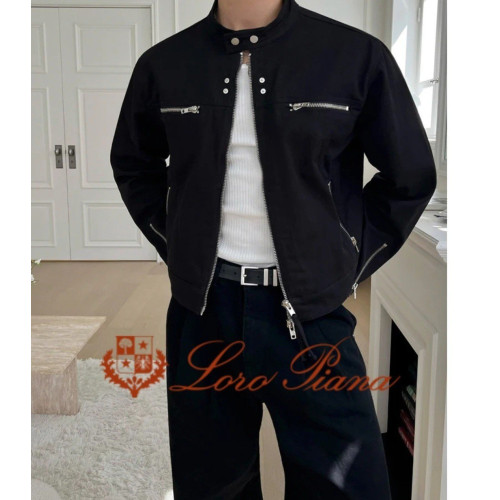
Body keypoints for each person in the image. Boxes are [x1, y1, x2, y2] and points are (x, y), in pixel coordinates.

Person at [110, 0, 437, 498]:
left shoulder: (354, 56)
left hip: (311, 316)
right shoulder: (164, 64)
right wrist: (180, 245)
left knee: (351, 484)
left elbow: (409, 176)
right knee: (213, 485)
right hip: (203, 313)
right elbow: (135, 164)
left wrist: (345, 258)